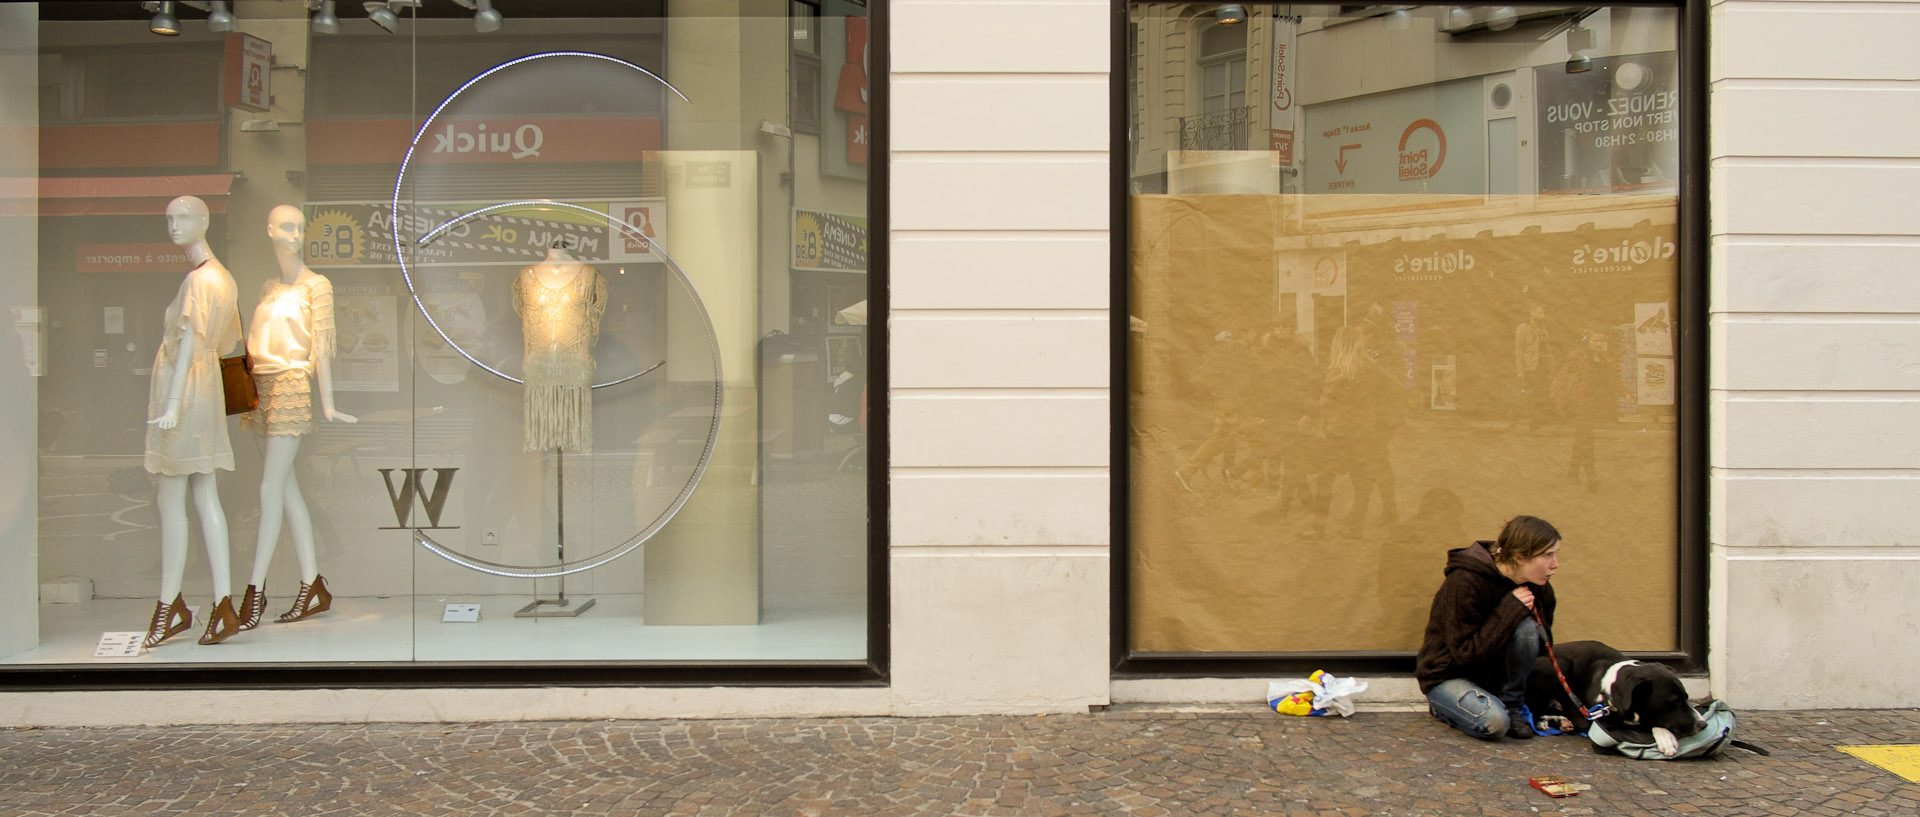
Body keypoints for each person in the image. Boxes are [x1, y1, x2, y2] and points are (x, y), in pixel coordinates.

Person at [239, 205, 357, 631]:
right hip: (259, 387)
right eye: (285, 227)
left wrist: (328, 403)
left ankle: (254, 591)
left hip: (291, 385)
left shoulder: (317, 286)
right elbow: (252, 342)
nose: (293, 234)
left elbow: (322, 346)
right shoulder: (268, 287)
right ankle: (312, 585)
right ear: (269, 230)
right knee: (286, 490)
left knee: (270, 487)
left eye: (298, 227)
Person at [142, 195, 244, 647]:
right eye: (169, 218)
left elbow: (187, 345)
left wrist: (172, 404)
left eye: (183, 217)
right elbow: (224, 344)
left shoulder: (198, 281)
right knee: (205, 494)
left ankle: (170, 606)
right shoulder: (225, 278)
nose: (173, 225)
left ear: (204, 221)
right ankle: (223, 605)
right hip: (207, 391)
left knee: (171, 497)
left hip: (183, 394)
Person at [1414, 515, 1562, 740]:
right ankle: (1444, 707)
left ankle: (1513, 706)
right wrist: (1509, 610)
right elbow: (1465, 655)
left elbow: (1541, 645)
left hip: (1496, 680)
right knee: (1495, 724)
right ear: (1520, 557)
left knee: (1528, 629)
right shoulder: (1464, 583)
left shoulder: (1539, 587)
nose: (1555, 564)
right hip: (1448, 676)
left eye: (1556, 554)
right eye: (1547, 555)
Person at [1554, 322, 1635, 491]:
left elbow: (1613, 380)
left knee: (1581, 437)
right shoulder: (1577, 356)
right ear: (1587, 340)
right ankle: (1592, 476)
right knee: (1587, 439)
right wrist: (1560, 404)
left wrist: (1626, 393)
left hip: (1595, 404)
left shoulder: (1606, 358)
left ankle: (1573, 472)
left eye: (1601, 341)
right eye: (1594, 341)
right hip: (1579, 403)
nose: (1598, 344)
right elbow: (1562, 379)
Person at [1513, 303, 1551, 427]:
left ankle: (1537, 422)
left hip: (1543, 365)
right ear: (1531, 312)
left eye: (1543, 313)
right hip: (1531, 366)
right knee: (1534, 393)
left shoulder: (1543, 328)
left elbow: (1547, 348)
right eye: (1540, 313)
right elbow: (1519, 350)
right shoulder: (1522, 328)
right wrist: (1520, 370)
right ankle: (1533, 423)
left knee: (1542, 393)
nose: (1542, 315)